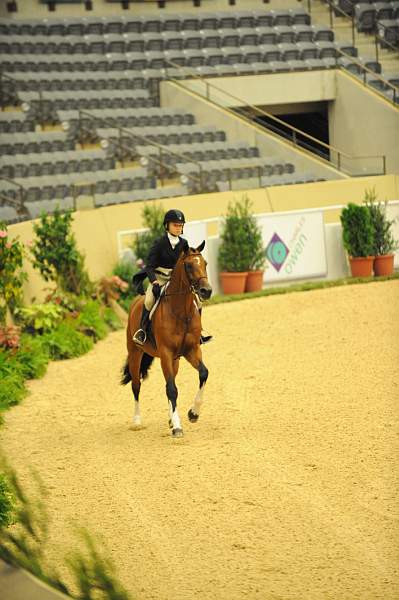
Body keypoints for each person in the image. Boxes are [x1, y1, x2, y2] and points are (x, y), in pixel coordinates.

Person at [132, 209, 212, 346]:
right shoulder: (159, 243)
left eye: (180, 225)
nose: (178, 228)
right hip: (160, 278)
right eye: (175, 225)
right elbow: (150, 266)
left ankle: (197, 332)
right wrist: (154, 282)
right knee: (149, 300)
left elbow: (188, 263)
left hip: (177, 279)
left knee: (198, 301)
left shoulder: (184, 244)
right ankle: (142, 331)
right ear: (167, 226)